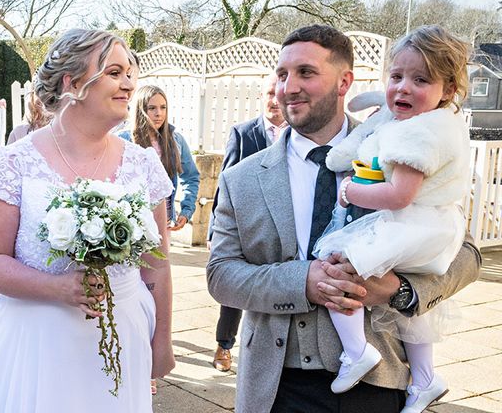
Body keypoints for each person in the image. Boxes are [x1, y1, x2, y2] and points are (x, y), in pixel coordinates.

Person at [206, 24, 481, 413]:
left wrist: (400, 290)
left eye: (306, 72)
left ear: (344, 81)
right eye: (282, 74)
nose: (289, 87)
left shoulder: (398, 148)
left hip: (380, 381)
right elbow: (221, 275)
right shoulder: (242, 179)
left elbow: (466, 253)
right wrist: (304, 281)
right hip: (277, 386)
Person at [0, 29, 175, 412]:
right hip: (37, 339)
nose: (129, 84)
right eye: (114, 72)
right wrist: (59, 288)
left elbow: (157, 266)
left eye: (129, 73)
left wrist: (161, 340)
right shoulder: (15, 162)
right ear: (73, 82)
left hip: (124, 335)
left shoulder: (143, 164)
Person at [313, 26, 470, 413]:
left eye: (420, 80)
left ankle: (356, 351)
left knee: (340, 266)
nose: (402, 88)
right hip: (436, 227)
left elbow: (399, 196)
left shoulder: (416, 135)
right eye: (396, 76)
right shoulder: (438, 123)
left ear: (448, 90)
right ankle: (425, 378)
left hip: (412, 224)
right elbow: (379, 119)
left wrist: (350, 191)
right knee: (414, 310)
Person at [207, 73, 288, 372]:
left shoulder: (297, 136)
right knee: (233, 291)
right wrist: (215, 229)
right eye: (268, 94)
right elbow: (224, 185)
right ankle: (224, 346)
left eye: (277, 95)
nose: (273, 101)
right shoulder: (243, 133)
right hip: (245, 227)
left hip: (283, 230)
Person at [120, 85, 200, 231]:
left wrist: (186, 210)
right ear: (141, 110)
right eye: (152, 108)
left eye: (163, 107)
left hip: (165, 222)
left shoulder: (176, 140)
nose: (159, 113)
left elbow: (191, 177)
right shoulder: (123, 140)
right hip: (132, 224)